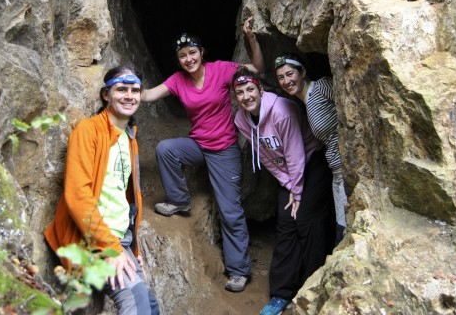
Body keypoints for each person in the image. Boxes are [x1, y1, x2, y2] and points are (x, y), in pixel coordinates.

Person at [140, 18, 265, 292]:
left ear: (201, 52)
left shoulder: (221, 70)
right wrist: (125, 88)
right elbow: (149, 95)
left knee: (230, 212)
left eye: (192, 53)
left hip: (224, 150)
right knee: (166, 150)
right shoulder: (177, 80)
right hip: (198, 145)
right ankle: (179, 201)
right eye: (183, 56)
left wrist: (251, 39)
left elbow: (256, 69)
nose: (188, 59)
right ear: (178, 60)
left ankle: (238, 271)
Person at [44, 64, 160, 314]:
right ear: (105, 95)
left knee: (150, 305)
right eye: (121, 89)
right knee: (136, 304)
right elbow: (78, 195)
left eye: (135, 90)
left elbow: (124, 197)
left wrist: (133, 250)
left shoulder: (129, 137)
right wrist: (110, 248)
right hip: (93, 240)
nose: (129, 96)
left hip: (119, 241)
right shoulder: (88, 131)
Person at [231, 67, 335, 315]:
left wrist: (297, 193)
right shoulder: (241, 120)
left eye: (250, 89)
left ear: (260, 89)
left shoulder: (282, 112)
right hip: (288, 175)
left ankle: (313, 288)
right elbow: (265, 157)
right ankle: (281, 293)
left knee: (308, 222)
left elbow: (296, 153)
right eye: (240, 92)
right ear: (235, 97)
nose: (246, 96)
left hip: (312, 161)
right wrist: (288, 185)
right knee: (286, 224)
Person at [274, 53, 347, 244]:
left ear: (303, 72)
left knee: (346, 229)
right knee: (342, 229)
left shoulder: (321, 87)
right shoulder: (305, 103)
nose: (286, 81)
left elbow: (351, 104)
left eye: (290, 74)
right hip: (337, 171)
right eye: (281, 77)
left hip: (347, 169)